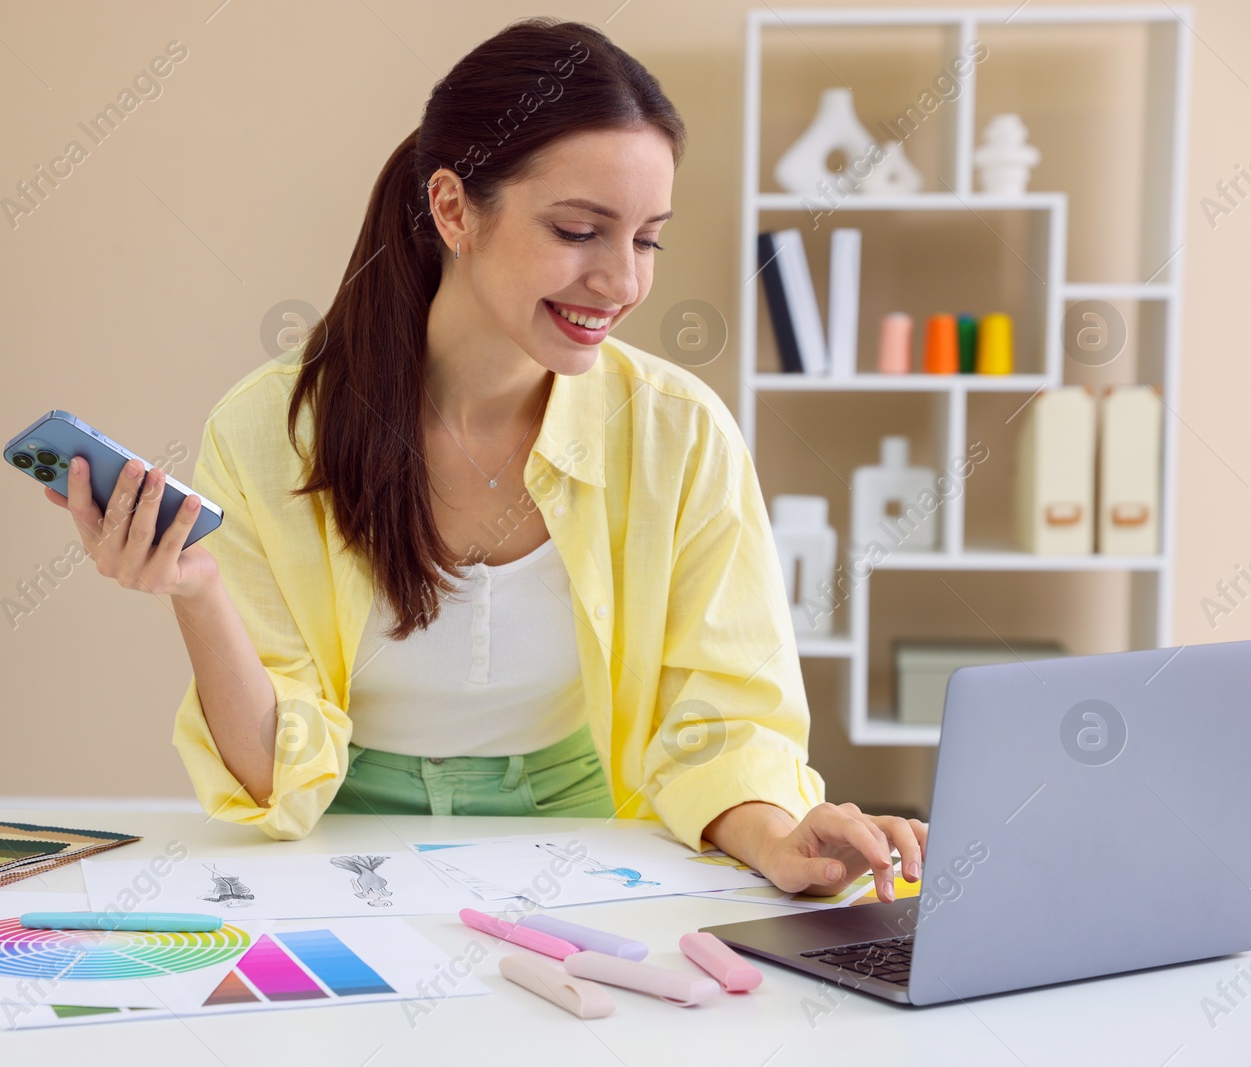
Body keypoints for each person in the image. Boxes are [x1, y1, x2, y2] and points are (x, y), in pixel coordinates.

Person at [46, 16, 926, 905]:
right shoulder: (272, 428)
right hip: (338, 843)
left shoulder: (678, 432)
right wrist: (197, 591)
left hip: (580, 837)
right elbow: (276, 779)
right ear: (454, 208)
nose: (622, 282)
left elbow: (723, 723)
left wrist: (779, 838)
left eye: (648, 238)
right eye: (580, 230)